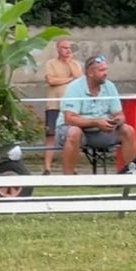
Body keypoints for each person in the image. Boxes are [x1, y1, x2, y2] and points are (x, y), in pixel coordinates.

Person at [55, 54, 136, 175]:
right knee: (74, 132)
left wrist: (116, 121)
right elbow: (69, 119)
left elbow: (120, 115)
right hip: (72, 130)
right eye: (101, 70)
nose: (106, 73)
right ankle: (68, 179)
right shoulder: (74, 88)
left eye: (106, 69)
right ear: (90, 73)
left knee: (128, 130)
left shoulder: (110, 86)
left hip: (100, 132)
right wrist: (96, 122)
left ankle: (133, 174)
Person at [42, 39, 82, 174]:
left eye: (69, 48)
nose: (68, 50)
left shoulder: (75, 64)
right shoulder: (51, 63)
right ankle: (47, 168)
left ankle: (71, 167)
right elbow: (51, 80)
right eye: (64, 48)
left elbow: (79, 79)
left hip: (70, 107)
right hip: (54, 104)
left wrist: (69, 63)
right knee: (50, 135)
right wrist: (69, 79)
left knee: (71, 135)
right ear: (58, 49)